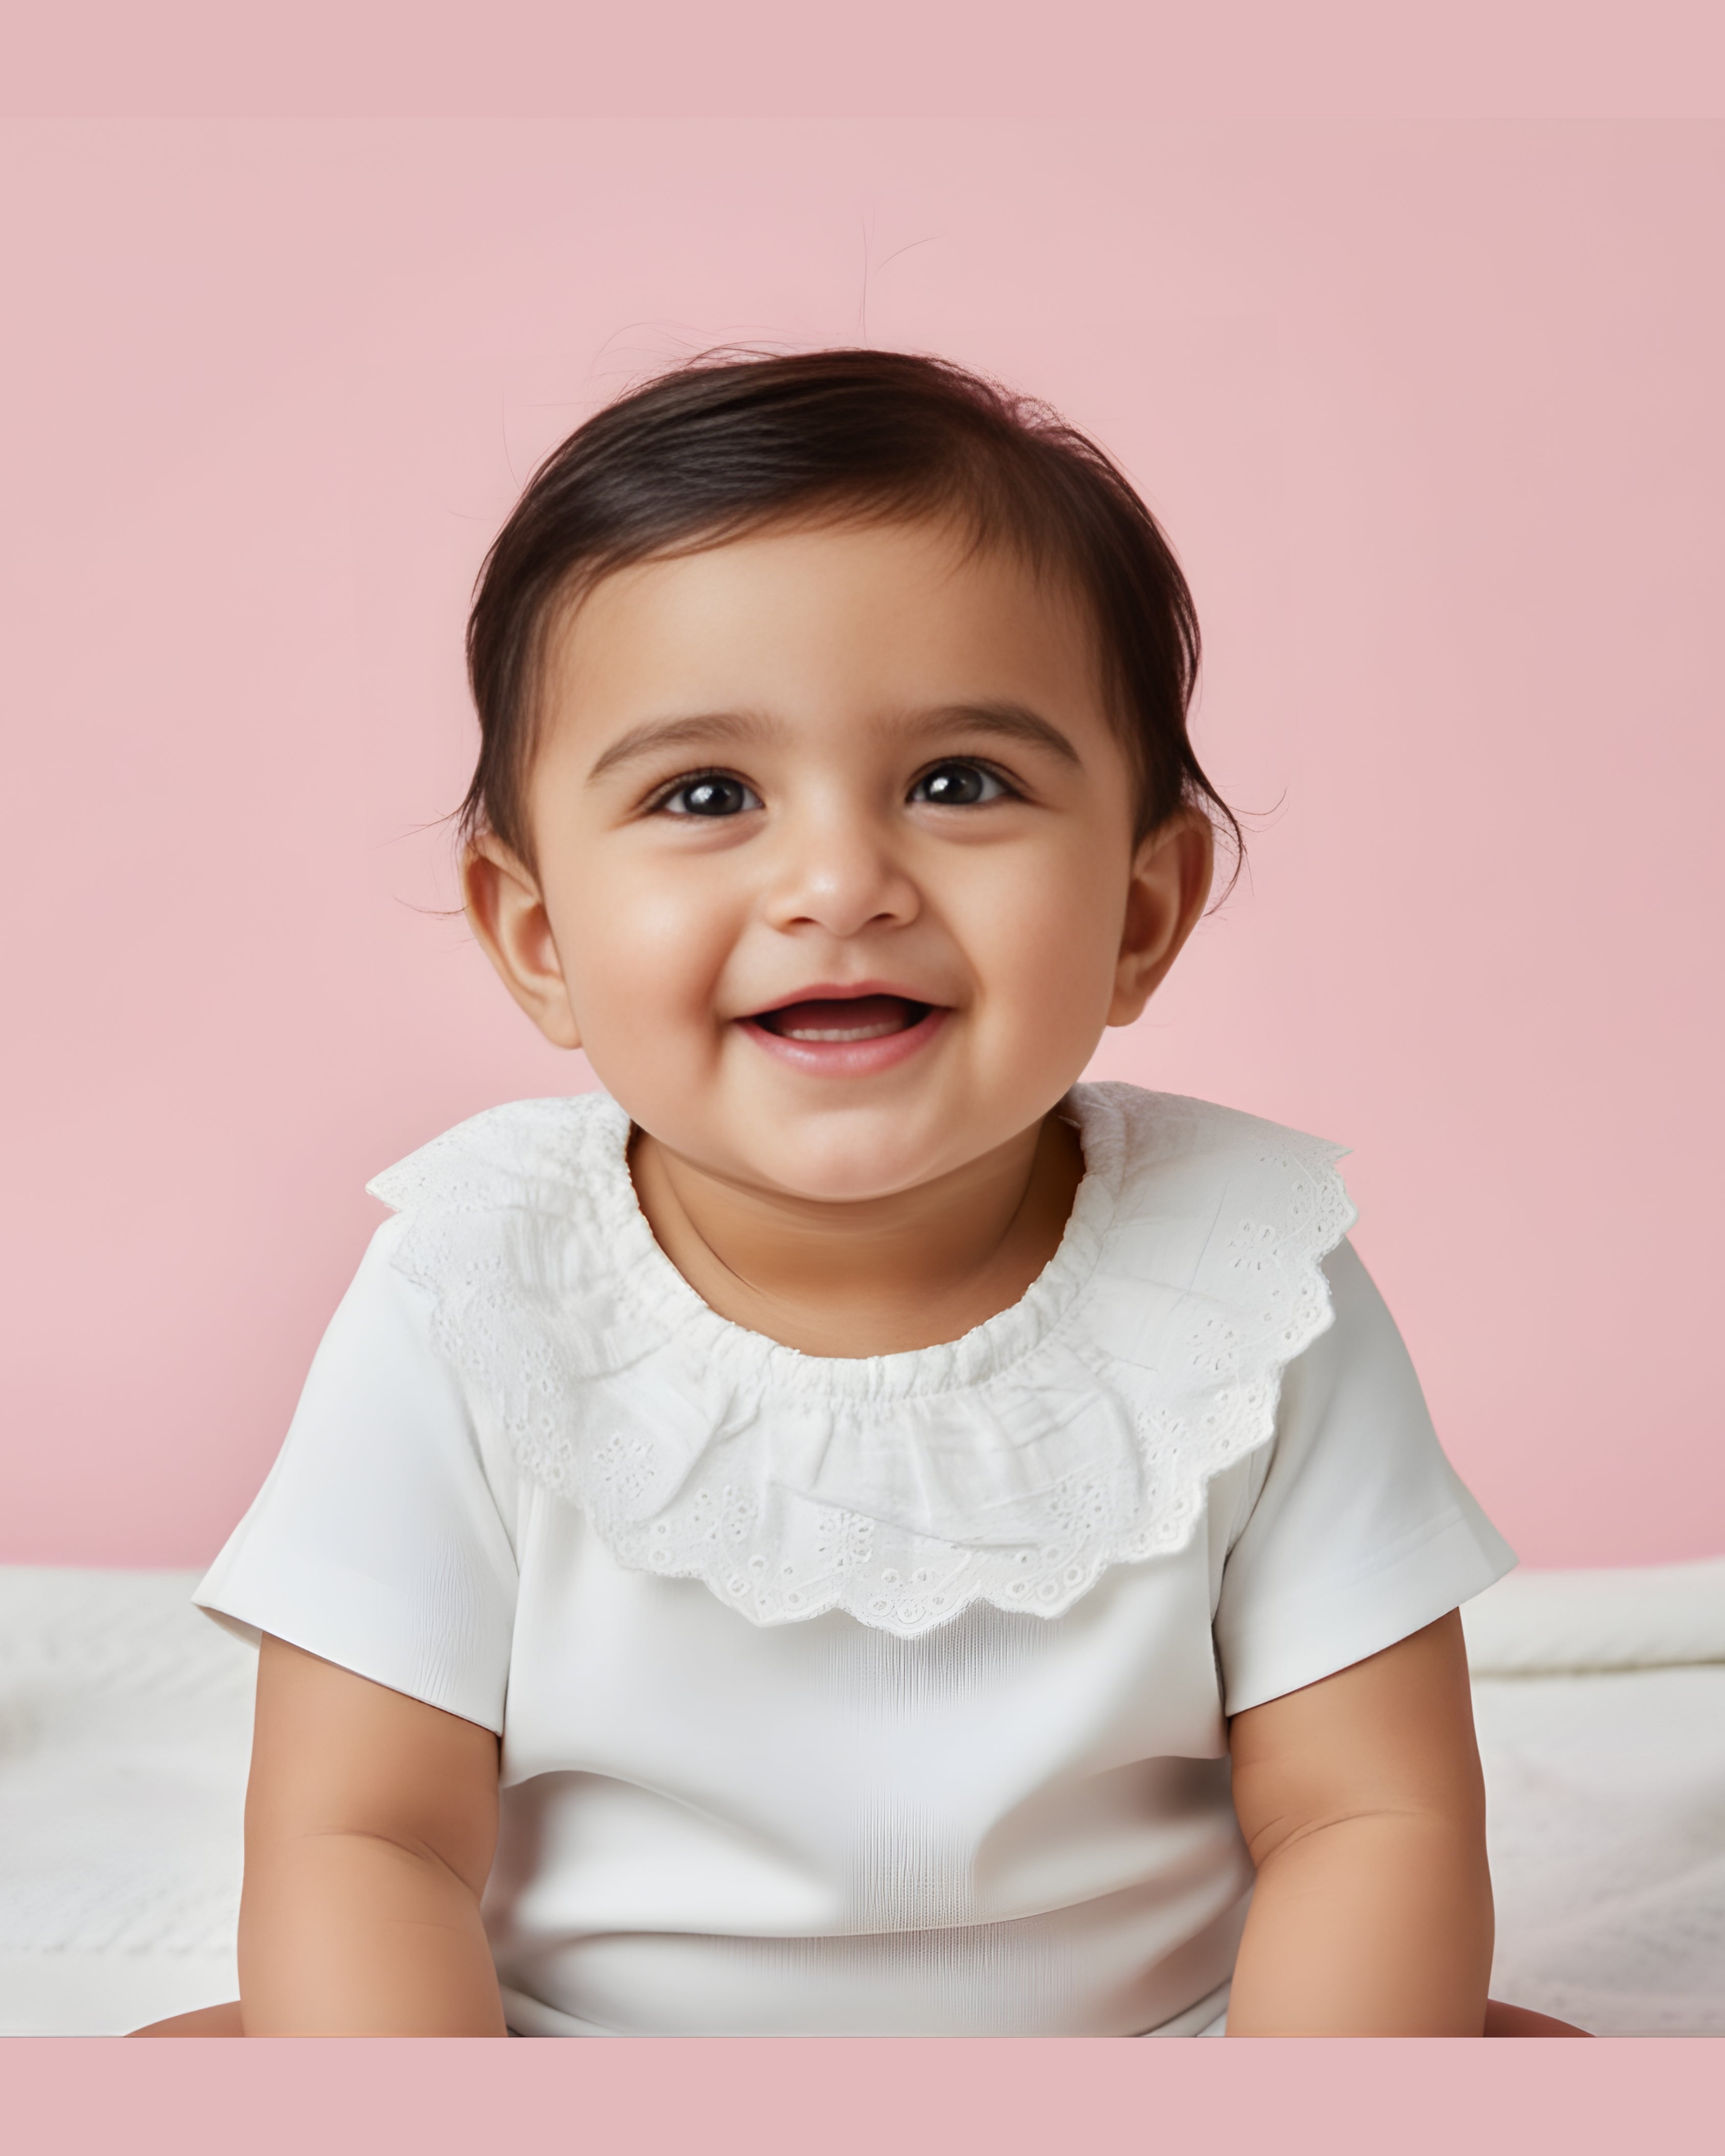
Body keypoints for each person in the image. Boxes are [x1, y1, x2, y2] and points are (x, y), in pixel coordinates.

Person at [134, 350, 1586, 2038]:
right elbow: (361, 1832)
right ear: (538, 938)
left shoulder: (1248, 1283)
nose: (837, 883)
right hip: (570, 2058)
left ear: (1141, 911)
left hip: (1165, 2052)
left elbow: (1372, 1815)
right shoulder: (474, 1288)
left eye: (960, 781)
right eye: (708, 795)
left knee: (1533, 2071)